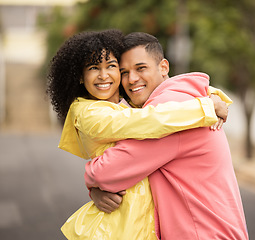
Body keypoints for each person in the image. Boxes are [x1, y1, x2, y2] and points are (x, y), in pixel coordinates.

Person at [47, 29, 230, 239]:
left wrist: (213, 95)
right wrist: (205, 107)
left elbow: (164, 105)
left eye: (112, 67)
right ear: (80, 76)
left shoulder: (129, 105)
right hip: (119, 224)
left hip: (143, 221)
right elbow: (148, 121)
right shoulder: (89, 112)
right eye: (94, 68)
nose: (104, 75)